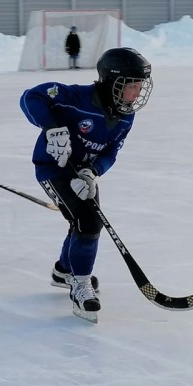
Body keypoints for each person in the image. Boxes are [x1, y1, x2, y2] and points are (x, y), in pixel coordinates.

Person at [20, 47, 153, 322]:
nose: (137, 93)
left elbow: (111, 152)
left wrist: (92, 172)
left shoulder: (127, 115)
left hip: (82, 173)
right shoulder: (74, 97)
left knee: (83, 222)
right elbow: (30, 97)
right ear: (112, 82)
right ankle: (80, 285)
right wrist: (51, 127)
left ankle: (63, 271)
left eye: (140, 86)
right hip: (52, 168)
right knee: (90, 223)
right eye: (132, 86)